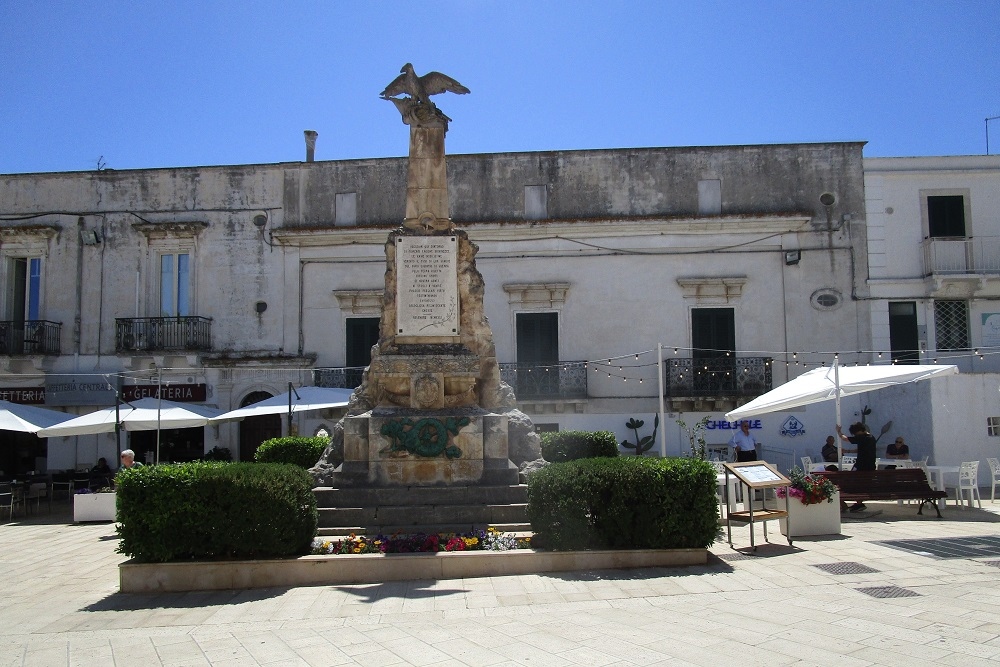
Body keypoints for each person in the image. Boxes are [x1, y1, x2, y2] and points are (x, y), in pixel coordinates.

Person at [837, 422, 877, 512]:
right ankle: (859, 503)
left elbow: (845, 438)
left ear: (859, 431)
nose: (855, 435)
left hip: (861, 466)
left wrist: (839, 431)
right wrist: (847, 451)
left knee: (854, 483)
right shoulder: (871, 438)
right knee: (861, 485)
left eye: (855, 433)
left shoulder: (862, 438)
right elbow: (861, 450)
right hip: (870, 466)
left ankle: (857, 503)